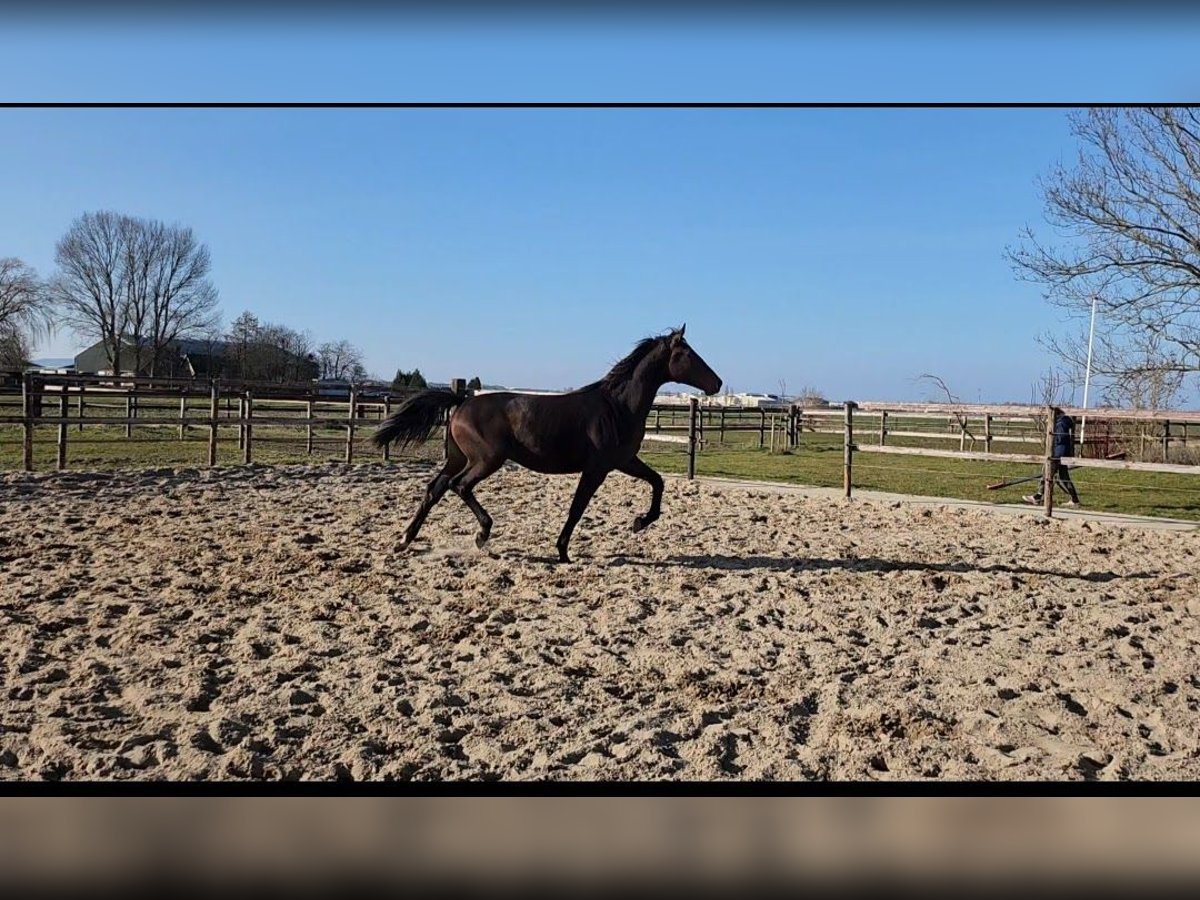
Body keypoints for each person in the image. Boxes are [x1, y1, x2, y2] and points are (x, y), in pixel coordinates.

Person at [1025, 408, 1081, 507]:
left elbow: (1060, 438)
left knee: (1047, 472)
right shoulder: (1063, 422)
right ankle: (1075, 500)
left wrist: (1053, 444)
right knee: (1064, 476)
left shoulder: (1060, 423)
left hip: (1058, 452)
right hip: (1062, 451)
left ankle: (1038, 497)